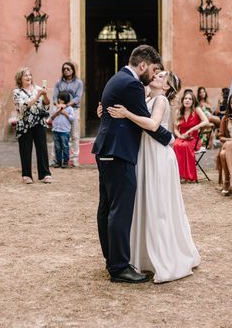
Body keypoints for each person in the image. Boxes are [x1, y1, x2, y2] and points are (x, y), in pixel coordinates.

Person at [107, 71, 200, 283]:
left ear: (166, 87)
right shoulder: (148, 98)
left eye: (161, 77)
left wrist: (127, 114)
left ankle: (164, 256)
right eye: (157, 74)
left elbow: (153, 125)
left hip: (157, 156)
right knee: (146, 202)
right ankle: (144, 256)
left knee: (158, 204)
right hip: (145, 153)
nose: (156, 76)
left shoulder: (160, 100)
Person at [93, 45, 172, 284]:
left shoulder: (118, 78)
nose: (154, 74)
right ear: (143, 65)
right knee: (119, 210)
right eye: (154, 69)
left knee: (107, 207)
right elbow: (146, 121)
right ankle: (119, 268)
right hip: (119, 152)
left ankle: (112, 259)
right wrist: (169, 139)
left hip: (107, 150)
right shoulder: (132, 84)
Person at [13, 67, 52, 184]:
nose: (28, 77)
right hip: (24, 123)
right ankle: (26, 175)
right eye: (25, 75)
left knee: (42, 148)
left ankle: (45, 174)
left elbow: (46, 105)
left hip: (38, 121)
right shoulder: (17, 92)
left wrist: (44, 95)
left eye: (30, 75)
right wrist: (36, 96)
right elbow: (23, 107)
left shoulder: (38, 89)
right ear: (20, 78)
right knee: (25, 149)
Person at [173, 91, 210, 182]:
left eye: (190, 99)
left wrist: (193, 129)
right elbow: (175, 129)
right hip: (182, 137)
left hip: (194, 139)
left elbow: (206, 121)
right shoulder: (178, 112)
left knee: (185, 146)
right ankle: (179, 175)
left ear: (193, 101)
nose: (187, 100)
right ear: (182, 100)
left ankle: (188, 175)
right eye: (185, 98)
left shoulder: (196, 109)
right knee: (176, 145)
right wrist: (180, 137)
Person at [52, 62, 84, 167]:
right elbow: (54, 97)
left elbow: (78, 98)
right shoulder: (58, 83)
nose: (66, 70)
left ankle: (74, 159)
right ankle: (55, 159)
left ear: (73, 70)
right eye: (64, 69)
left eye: (68, 69)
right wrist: (58, 106)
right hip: (59, 110)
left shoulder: (79, 83)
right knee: (57, 134)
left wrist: (66, 106)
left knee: (74, 135)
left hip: (73, 109)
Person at [49, 90, 75, 168]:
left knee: (65, 146)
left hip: (65, 131)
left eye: (62, 99)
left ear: (66, 100)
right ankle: (58, 161)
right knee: (57, 147)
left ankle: (66, 161)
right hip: (56, 130)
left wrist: (65, 113)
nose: (60, 100)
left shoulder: (69, 108)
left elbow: (72, 119)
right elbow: (51, 117)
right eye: (59, 98)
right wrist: (57, 112)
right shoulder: (55, 107)